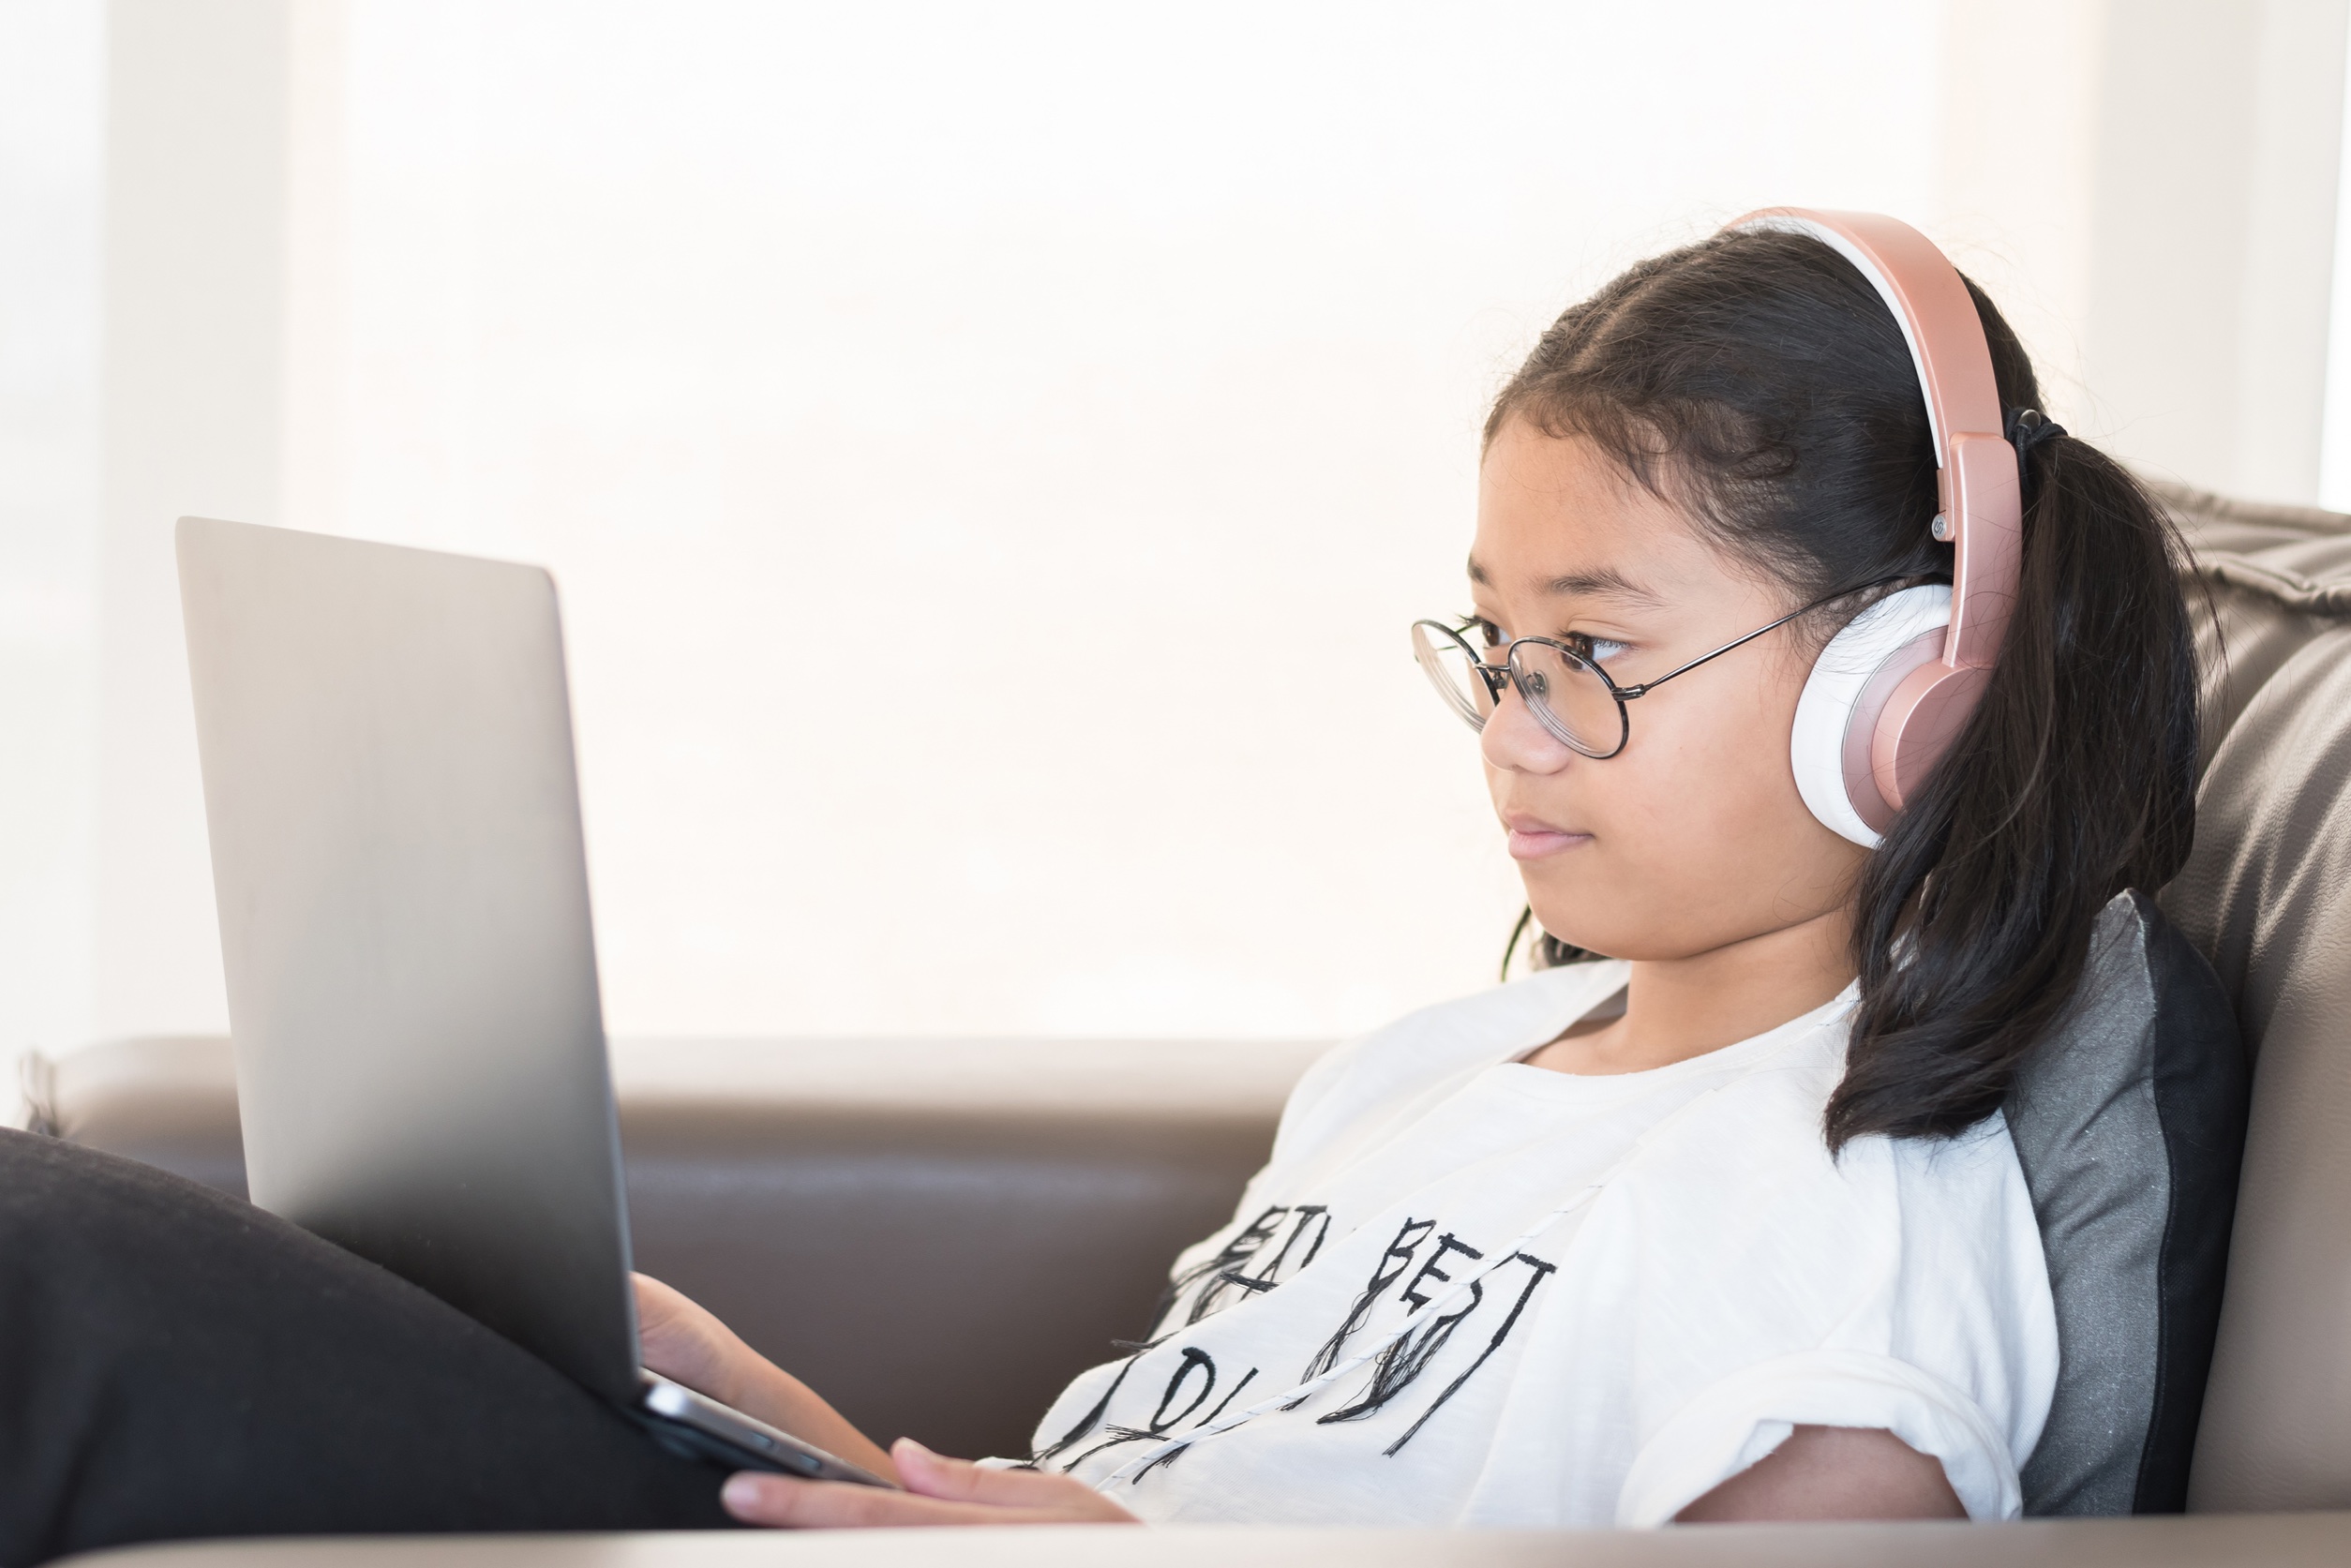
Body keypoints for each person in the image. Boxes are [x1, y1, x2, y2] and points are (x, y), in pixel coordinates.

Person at [0, 214, 2200, 1558]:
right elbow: (1143, 1502)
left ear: (1910, 691)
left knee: (41, 1280)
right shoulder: (1439, 1068)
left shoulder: (1839, 1226)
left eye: (1601, 656)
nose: (1516, 725)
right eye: (1496, 645)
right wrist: (722, 1394)